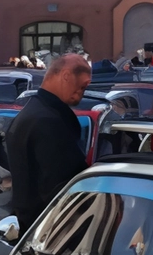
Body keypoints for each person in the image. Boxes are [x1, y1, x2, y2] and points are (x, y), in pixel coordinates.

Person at [5, 53, 92, 233]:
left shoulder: (29, 113)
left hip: (31, 226)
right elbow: (62, 188)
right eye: (82, 86)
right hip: (53, 231)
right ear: (66, 76)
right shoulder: (49, 121)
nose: (82, 93)